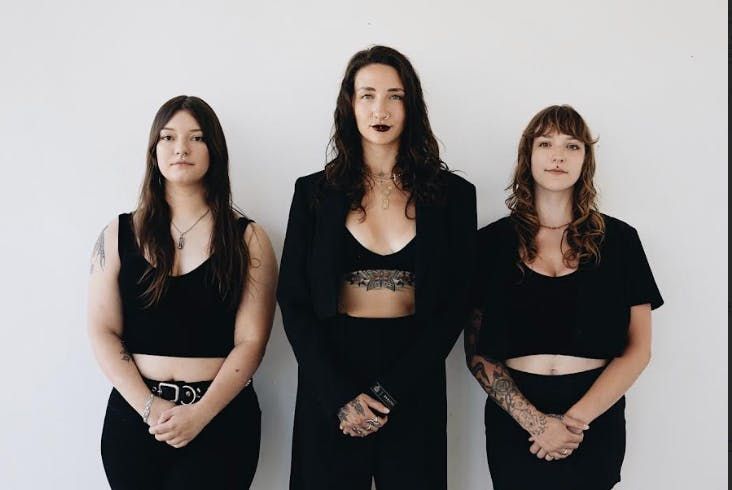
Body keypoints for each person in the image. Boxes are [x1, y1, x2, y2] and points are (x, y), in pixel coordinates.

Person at [277, 45, 476, 490]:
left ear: (412, 105)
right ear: (350, 104)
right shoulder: (313, 193)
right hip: (331, 374)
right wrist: (339, 395)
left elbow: (456, 303)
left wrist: (388, 393)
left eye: (394, 96)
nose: (380, 109)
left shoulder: (454, 196)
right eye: (367, 95)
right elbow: (293, 300)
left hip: (415, 372)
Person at [465, 104, 663, 490]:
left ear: (585, 160)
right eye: (545, 143)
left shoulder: (621, 241)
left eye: (572, 146)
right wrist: (538, 424)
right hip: (515, 419)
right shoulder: (490, 243)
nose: (558, 155)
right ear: (527, 156)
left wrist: (572, 423)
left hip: (594, 415)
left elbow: (639, 349)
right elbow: (476, 353)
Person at [87, 95, 277, 489]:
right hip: (134, 420)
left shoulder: (249, 239)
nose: (181, 149)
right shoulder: (118, 234)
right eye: (169, 137)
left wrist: (200, 414)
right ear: (154, 149)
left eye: (197, 137)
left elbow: (252, 341)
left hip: (221, 420)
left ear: (214, 150)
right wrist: (149, 407)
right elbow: (102, 330)